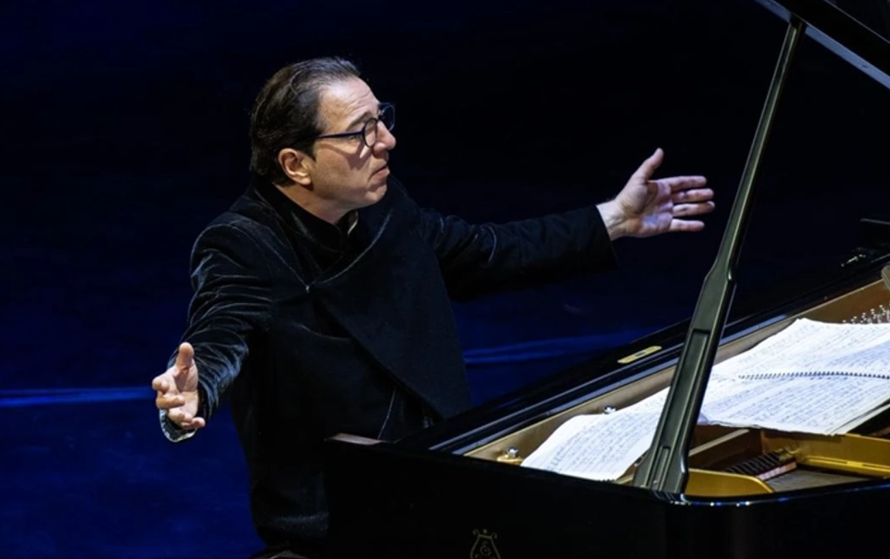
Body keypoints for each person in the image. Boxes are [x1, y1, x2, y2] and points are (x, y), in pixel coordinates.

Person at [151, 56, 714, 558]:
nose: (386, 141)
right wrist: (198, 388)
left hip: (447, 477)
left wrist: (615, 218)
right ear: (296, 164)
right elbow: (223, 330)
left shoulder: (382, 206)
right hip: (340, 523)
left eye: (381, 119)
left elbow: (485, 252)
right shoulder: (243, 244)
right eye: (361, 132)